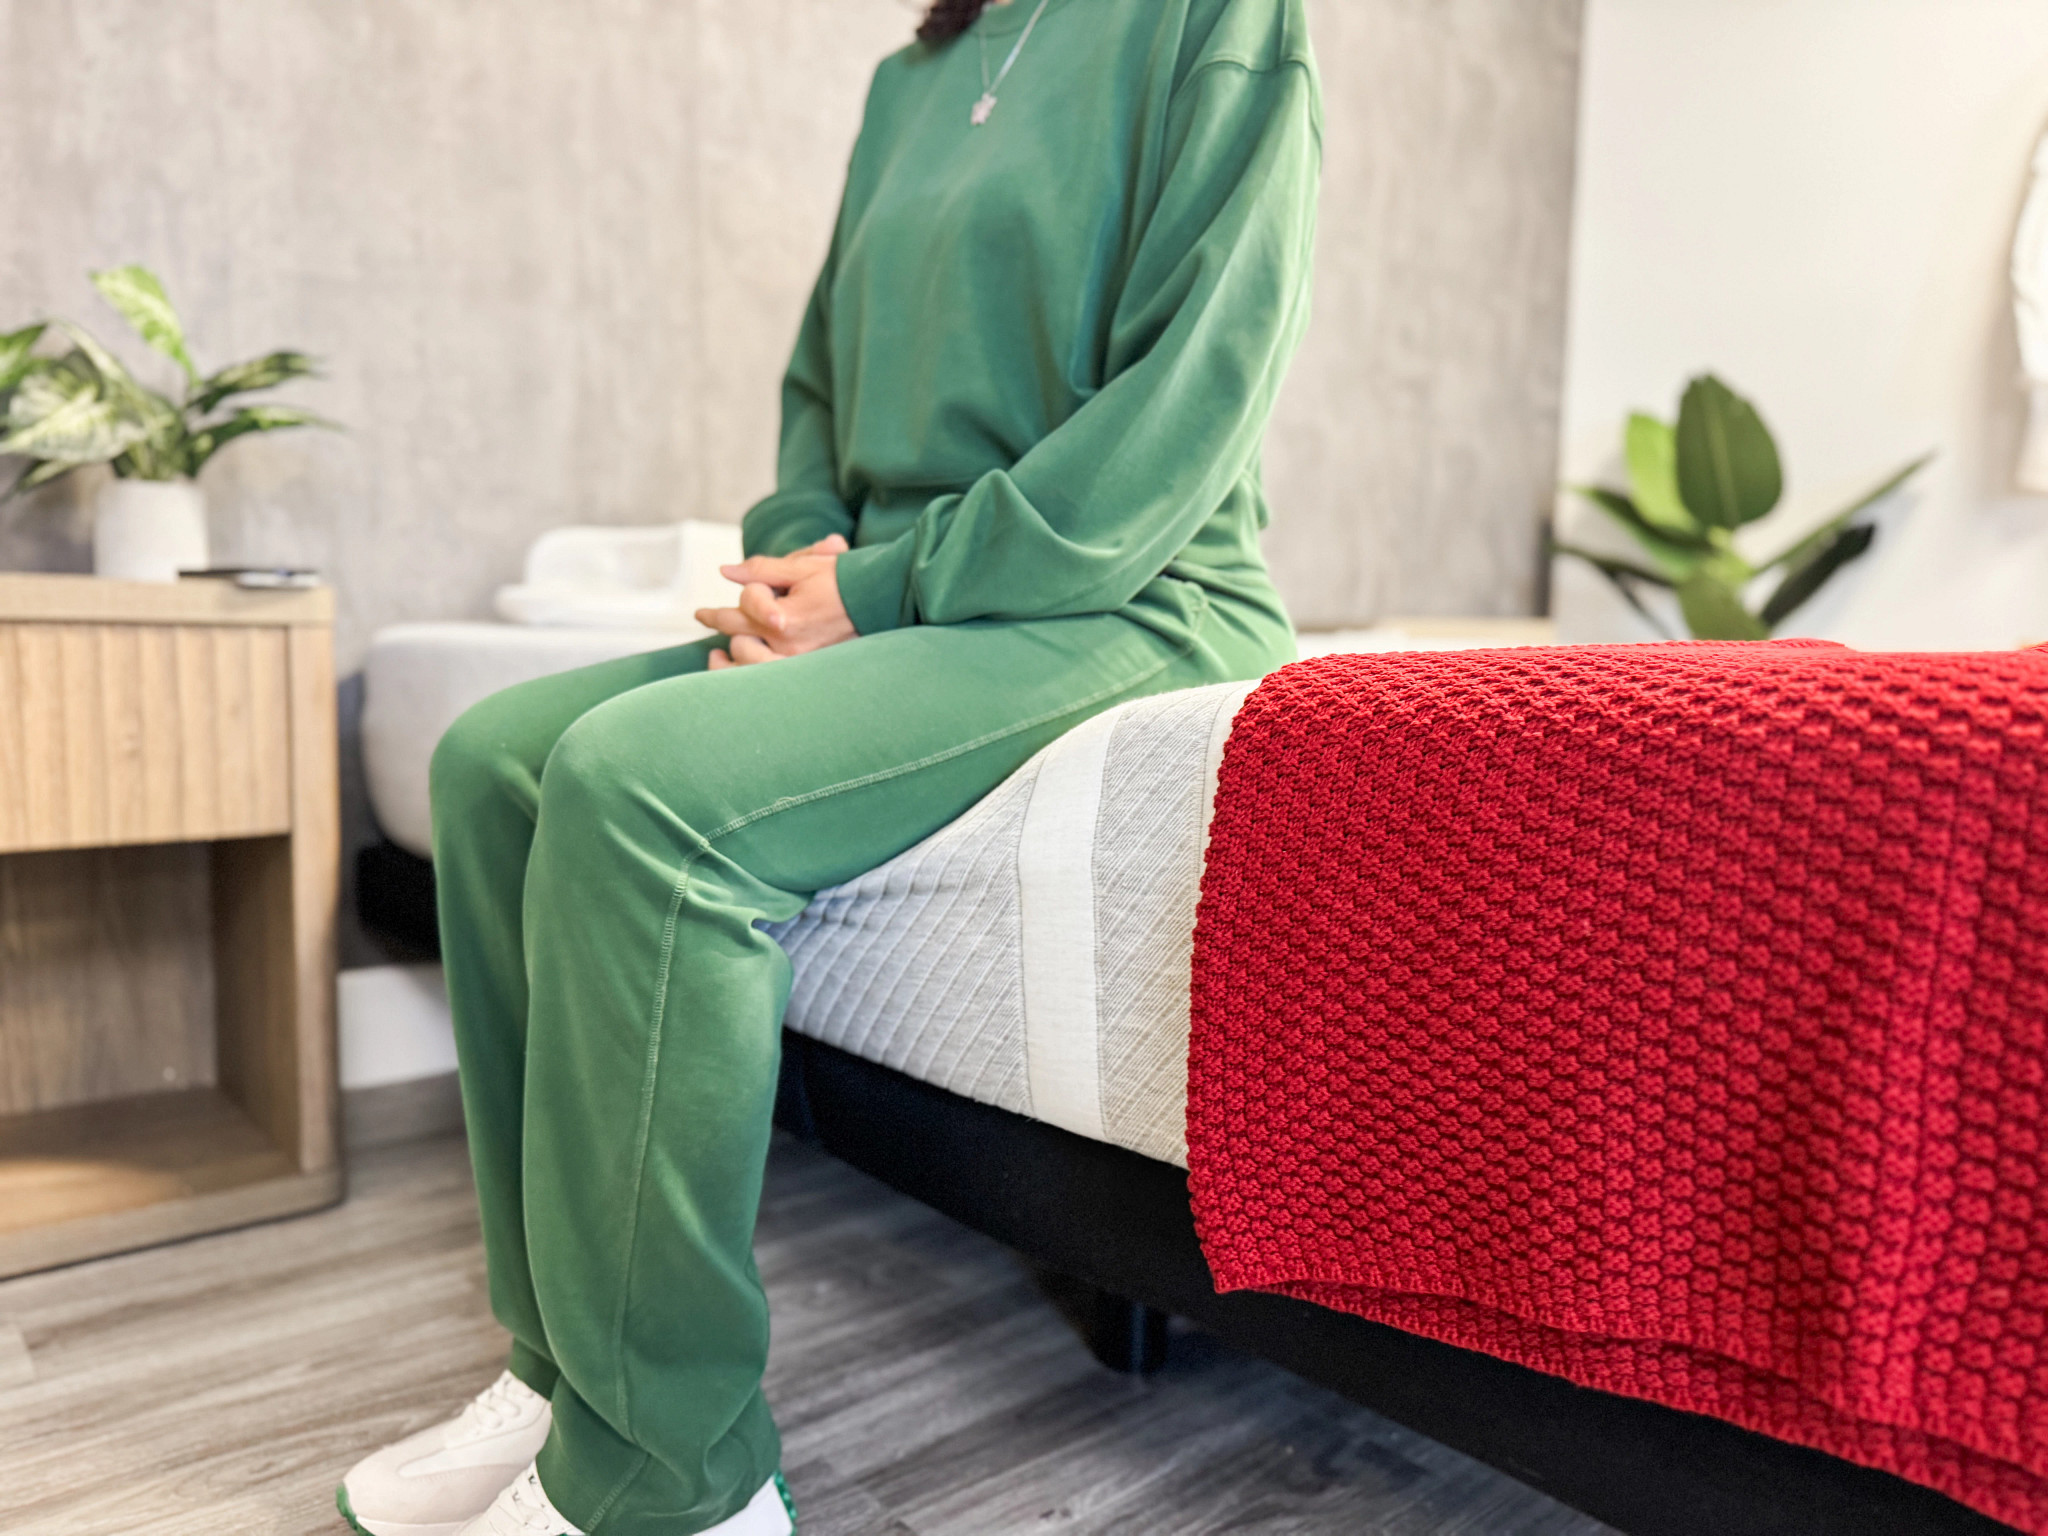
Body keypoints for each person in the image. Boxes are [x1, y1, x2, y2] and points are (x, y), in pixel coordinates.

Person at [337, 0, 1318, 1531]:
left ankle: (676, 1478)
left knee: (642, 794)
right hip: (893, 592)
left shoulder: (1213, 17)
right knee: (491, 767)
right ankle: (565, 1373)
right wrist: (803, 568)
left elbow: (1193, 396)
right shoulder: (908, 81)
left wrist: (880, 592)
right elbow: (819, 395)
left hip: (1127, 592)